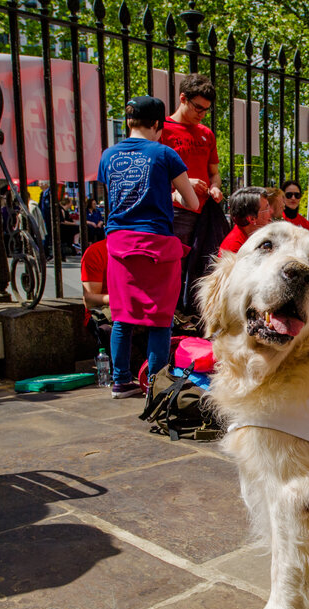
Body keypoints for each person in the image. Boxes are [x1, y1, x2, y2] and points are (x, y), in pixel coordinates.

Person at [97, 95, 199, 398]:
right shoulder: (165, 154)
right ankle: (156, 383)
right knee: (160, 318)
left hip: (119, 244)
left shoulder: (108, 156)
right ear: (157, 123)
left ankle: (121, 381)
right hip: (156, 245)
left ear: (129, 122)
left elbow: (125, 195)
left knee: (122, 316)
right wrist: (175, 194)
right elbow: (191, 202)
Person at [162, 73, 223, 247]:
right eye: (198, 107)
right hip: (175, 210)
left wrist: (215, 187)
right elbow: (153, 175)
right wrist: (185, 183)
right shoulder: (162, 130)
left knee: (204, 269)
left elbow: (214, 173)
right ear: (183, 98)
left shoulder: (206, 134)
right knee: (177, 267)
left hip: (205, 213)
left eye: (206, 109)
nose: (202, 114)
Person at [219, 187, 272, 254]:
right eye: (266, 208)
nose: (271, 211)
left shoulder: (248, 236)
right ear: (252, 219)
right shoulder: (235, 249)